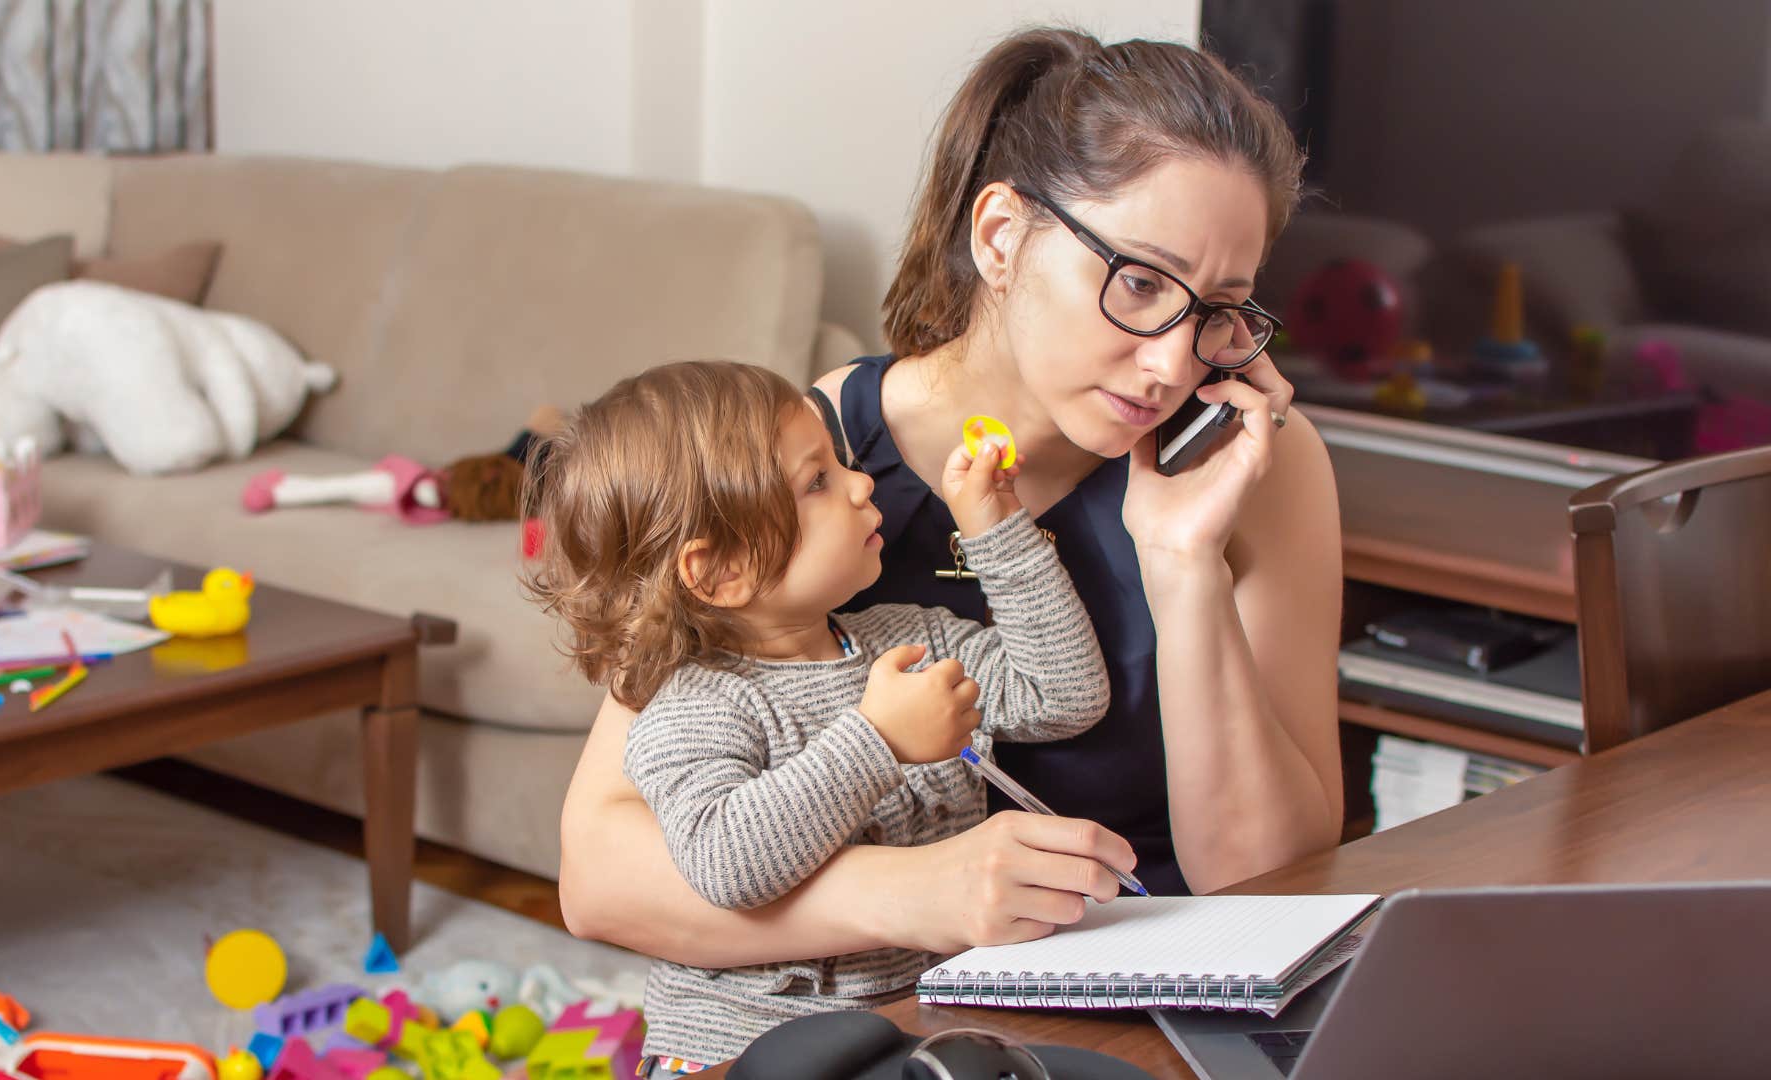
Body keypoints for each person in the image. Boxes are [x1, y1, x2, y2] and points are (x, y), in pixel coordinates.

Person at [557, 23, 1343, 1004]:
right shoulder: (827, 450)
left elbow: (1267, 888)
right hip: (902, 1005)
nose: (1173, 363)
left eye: (1219, 307)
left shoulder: (1264, 469)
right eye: (1141, 283)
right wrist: (910, 894)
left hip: (1162, 989)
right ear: (1002, 235)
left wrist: (1182, 560)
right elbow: (598, 873)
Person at [524, 359, 1109, 1069]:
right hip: (742, 1055)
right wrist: (877, 740)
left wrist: (995, 527)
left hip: (915, 1032)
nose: (864, 484)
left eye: (840, 462)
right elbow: (726, 865)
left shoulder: (907, 638)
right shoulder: (693, 703)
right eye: (820, 481)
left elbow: (1065, 694)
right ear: (718, 571)